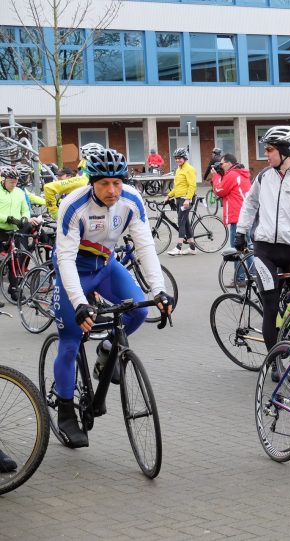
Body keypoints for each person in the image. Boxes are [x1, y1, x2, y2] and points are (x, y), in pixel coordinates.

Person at [52, 149, 173, 448]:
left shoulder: (131, 200)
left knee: (138, 312)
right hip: (74, 272)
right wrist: (80, 302)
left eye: (117, 183)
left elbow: (144, 245)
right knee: (70, 341)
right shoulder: (73, 206)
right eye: (104, 183)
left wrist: (158, 289)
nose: (112, 190)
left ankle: (107, 348)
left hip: (106, 266)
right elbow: (65, 259)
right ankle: (66, 412)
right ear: (92, 182)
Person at [234, 126, 290, 355]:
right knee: (271, 306)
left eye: (270, 149)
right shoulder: (263, 177)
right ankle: (274, 361)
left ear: (285, 150)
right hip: (264, 251)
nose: (267, 154)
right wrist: (241, 232)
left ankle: (288, 340)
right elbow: (250, 204)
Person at [212, 153, 253, 286]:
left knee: (237, 250)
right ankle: (253, 275)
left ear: (229, 163)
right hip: (245, 215)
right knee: (246, 249)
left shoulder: (232, 175)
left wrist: (216, 176)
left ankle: (240, 278)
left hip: (238, 216)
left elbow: (219, 190)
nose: (221, 166)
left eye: (222, 164)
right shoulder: (240, 173)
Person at [0, 166, 34, 302]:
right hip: (1, 229)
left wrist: (25, 218)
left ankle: (14, 288)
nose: (13, 184)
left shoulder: (19, 192)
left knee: (15, 258)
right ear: (3, 180)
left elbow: (25, 209)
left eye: (15, 182)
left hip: (14, 230)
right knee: (2, 259)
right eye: (10, 182)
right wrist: (7, 218)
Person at [165, 147, 198, 256]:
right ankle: (192, 248)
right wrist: (169, 195)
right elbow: (178, 187)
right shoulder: (179, 170)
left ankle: (178, 247)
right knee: (186, 223)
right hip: (179, 199)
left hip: (186, 199)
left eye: (180, 158)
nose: (178, 160)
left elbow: (192, 185)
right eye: (176, 158)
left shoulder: (189, 169)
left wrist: (188, 199)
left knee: (181, 222)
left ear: (185, 158)